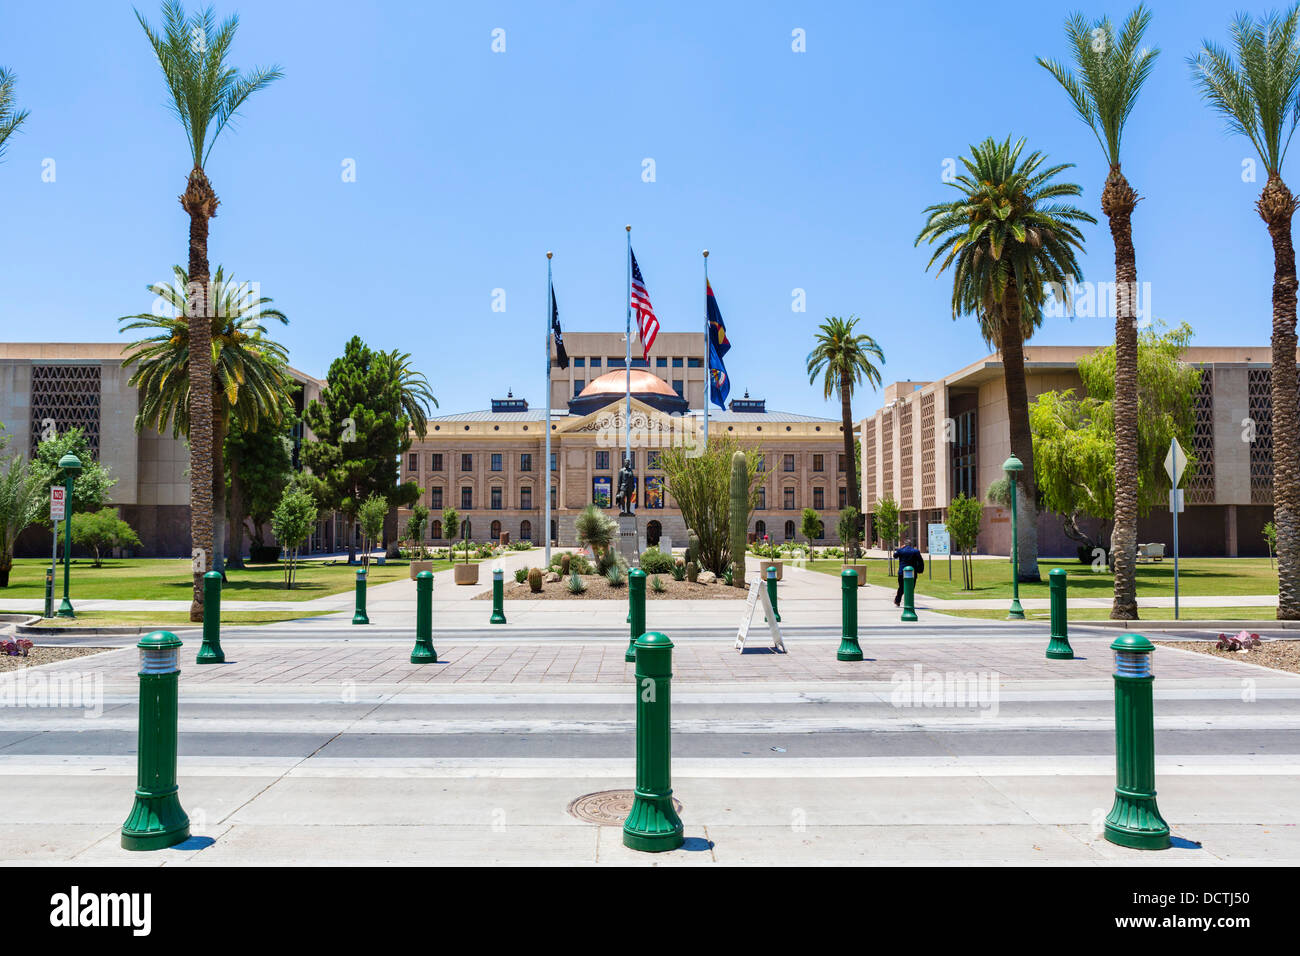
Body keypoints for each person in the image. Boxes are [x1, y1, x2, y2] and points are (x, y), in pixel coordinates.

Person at [893, 536, 924, 607]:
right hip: (912, 572)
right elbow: (920, 561)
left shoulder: (900, 550)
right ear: (911, 545)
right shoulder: (915, 551)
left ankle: (897, 600)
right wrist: (920, 570)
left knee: (901, 587)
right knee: (911, 587)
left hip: (902, 572)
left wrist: (900, 548)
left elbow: (895, 556)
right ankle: (909, 602)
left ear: (904, 544)